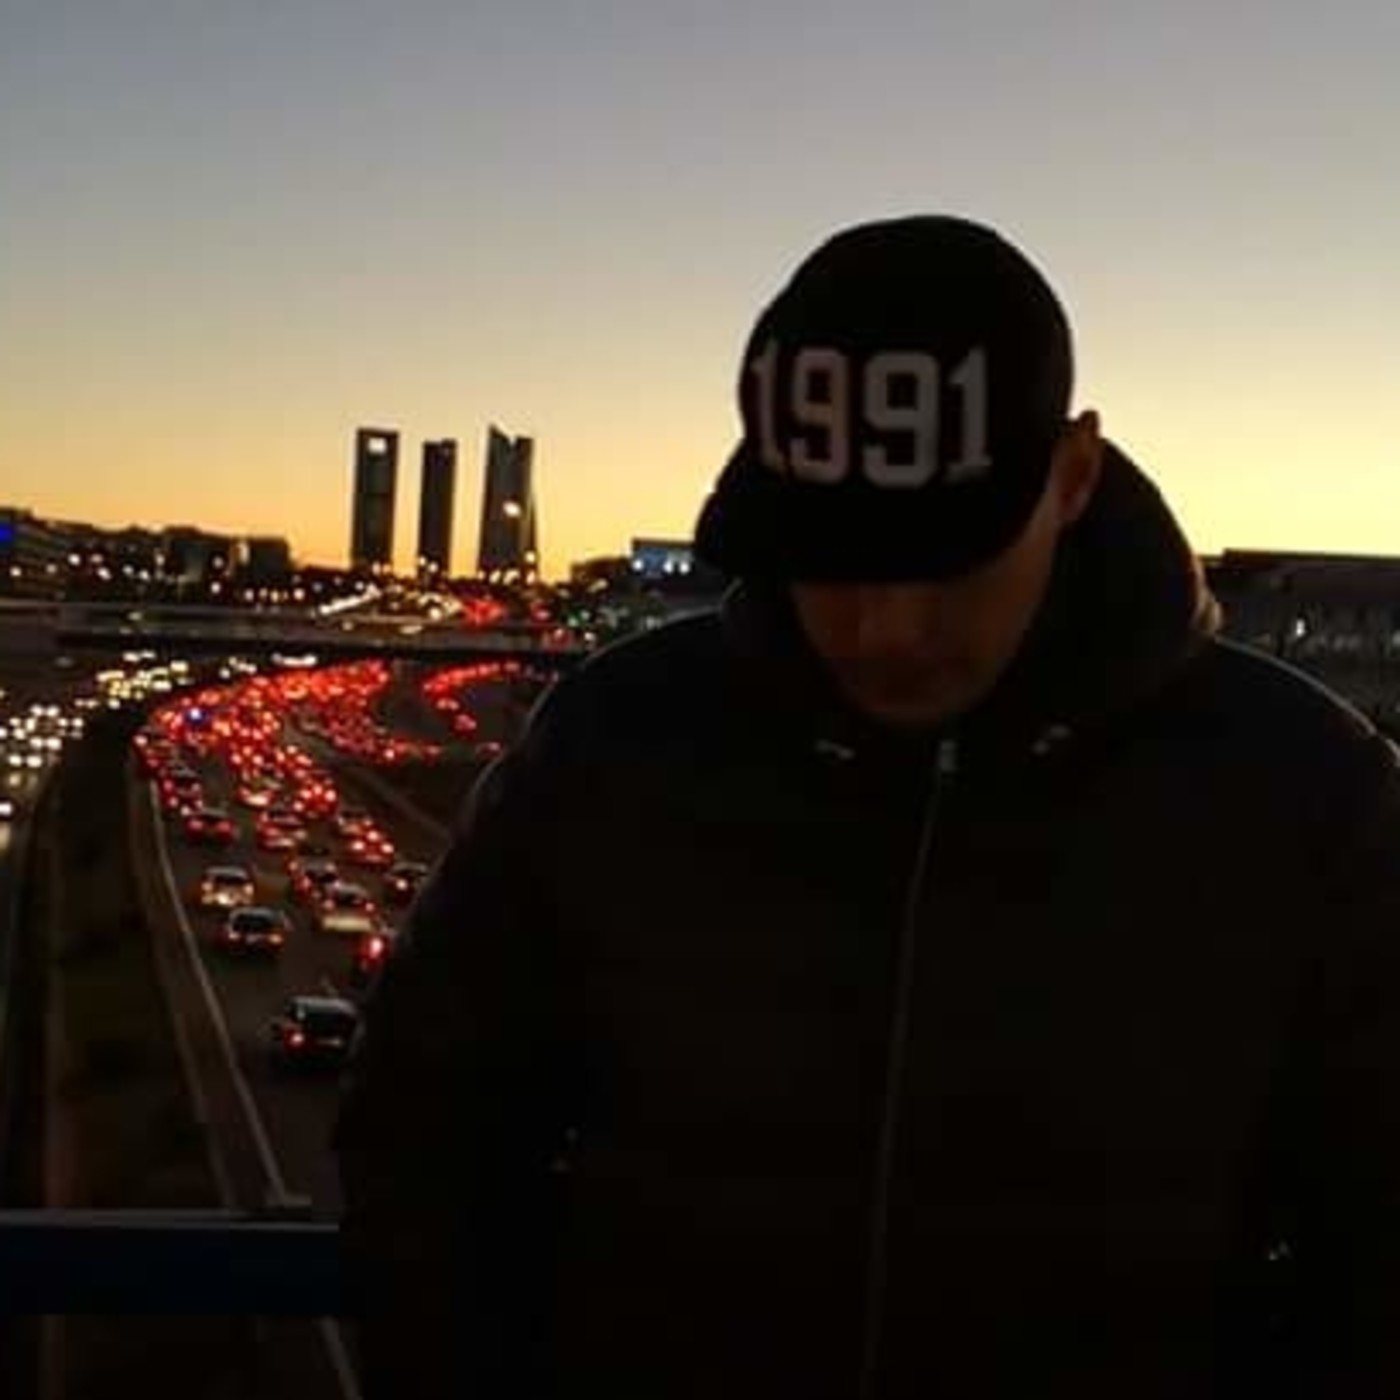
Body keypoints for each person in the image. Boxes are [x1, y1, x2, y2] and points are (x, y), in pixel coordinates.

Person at [334, 215, 1400, 1398]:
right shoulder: (613, 745)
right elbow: (422, 1134)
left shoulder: (1305, 796)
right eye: (832, 561)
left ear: (1071, 475)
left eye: (944, 564)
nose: (885, 630)